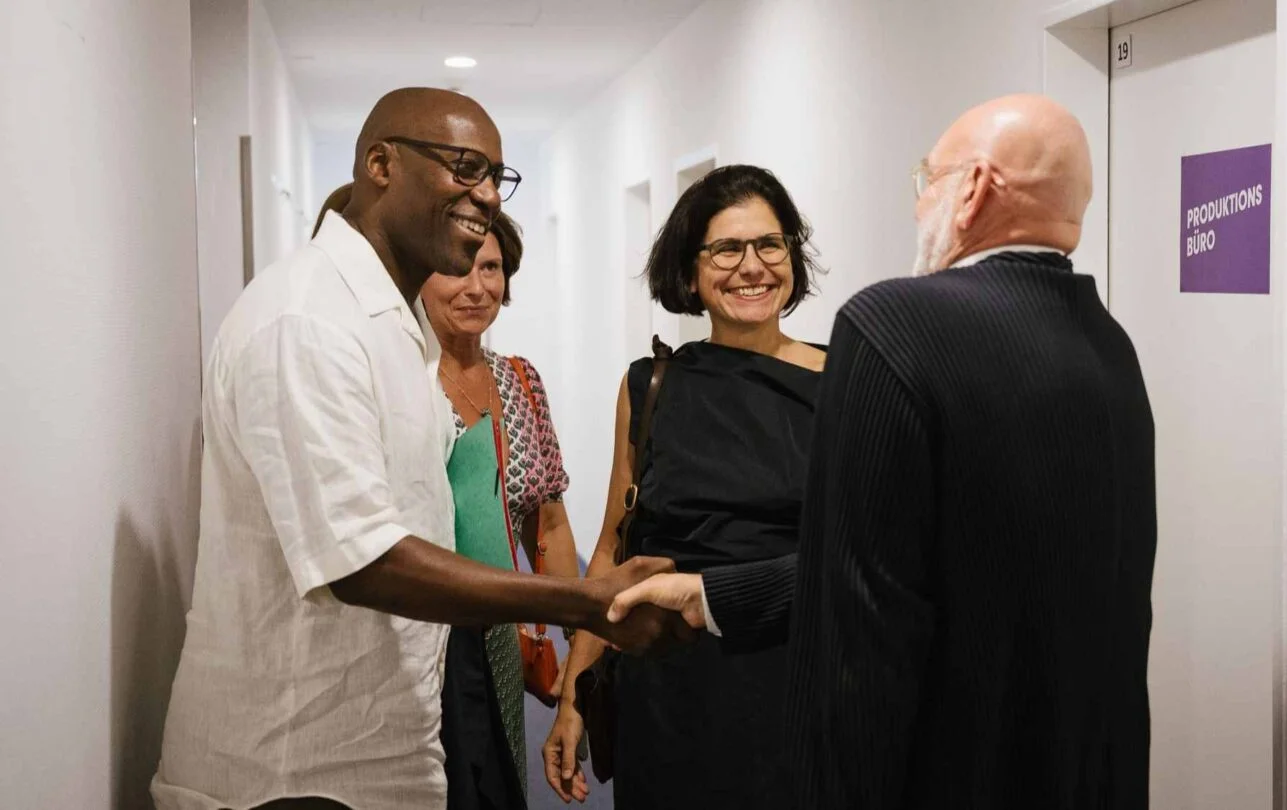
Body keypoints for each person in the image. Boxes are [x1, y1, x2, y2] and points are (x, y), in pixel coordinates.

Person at [609, 94, 1158, 809]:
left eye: (928, 179)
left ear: (973, 191)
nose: (919, 202)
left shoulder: (891, 325)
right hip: (1074, 763)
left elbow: (866, 600)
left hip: (933, 760)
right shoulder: (1109, 345)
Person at [152, 88, 681, 810]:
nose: (488, 195)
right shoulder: (309, 321)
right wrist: (582, 600)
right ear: (380, 164)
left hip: (377, 747)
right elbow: (363, 560)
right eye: (465, 167)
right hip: (290, 770)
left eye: (498, 176)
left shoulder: (392, 327)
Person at [542, 165, 827, 808]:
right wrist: (573, 695)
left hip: (800, 684)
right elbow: (615, 546)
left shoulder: (846, 381)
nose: (752, 267)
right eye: (727, 248)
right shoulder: (651, 385)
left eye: (769, 245)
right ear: (691, 270)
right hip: (670, 694)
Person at [422, 209, 582, 809]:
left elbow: (551, 522)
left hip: (500, 640)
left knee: (497, 788)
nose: (476, 285)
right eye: (455, 266)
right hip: (418, 642)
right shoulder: (400, 379)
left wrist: (578, 657)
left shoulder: (519, 380)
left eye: (490, 266)